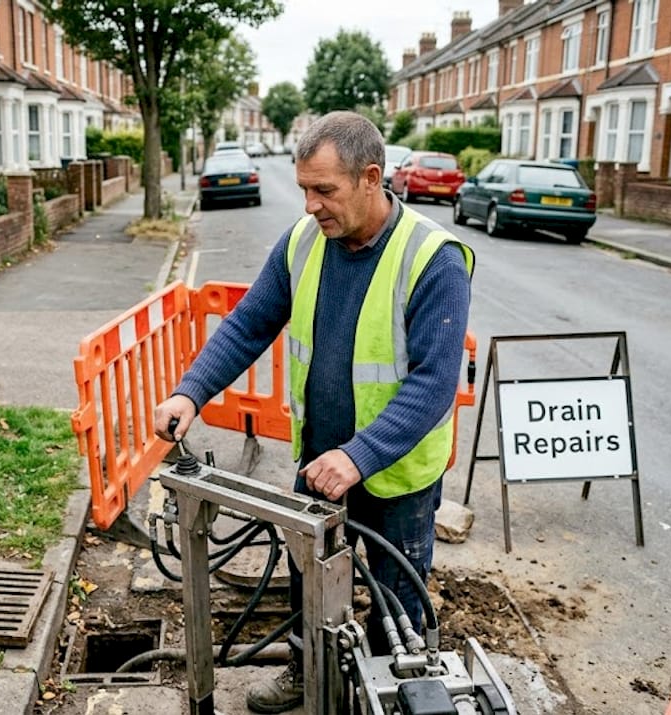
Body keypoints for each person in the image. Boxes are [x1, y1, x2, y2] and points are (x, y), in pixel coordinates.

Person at [151, 111, 474, 714]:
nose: (309, 206)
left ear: (371, 178)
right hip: (319, 460)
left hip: (396, 475)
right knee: (309, 581)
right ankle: (307, 670)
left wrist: (360, 456)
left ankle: (390, 693)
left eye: (324, 189)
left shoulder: (433, 259)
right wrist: (189, 392)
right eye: (304, 188)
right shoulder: (304, 242)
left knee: (396, 600)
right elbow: (249, 323)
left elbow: (433, 384)